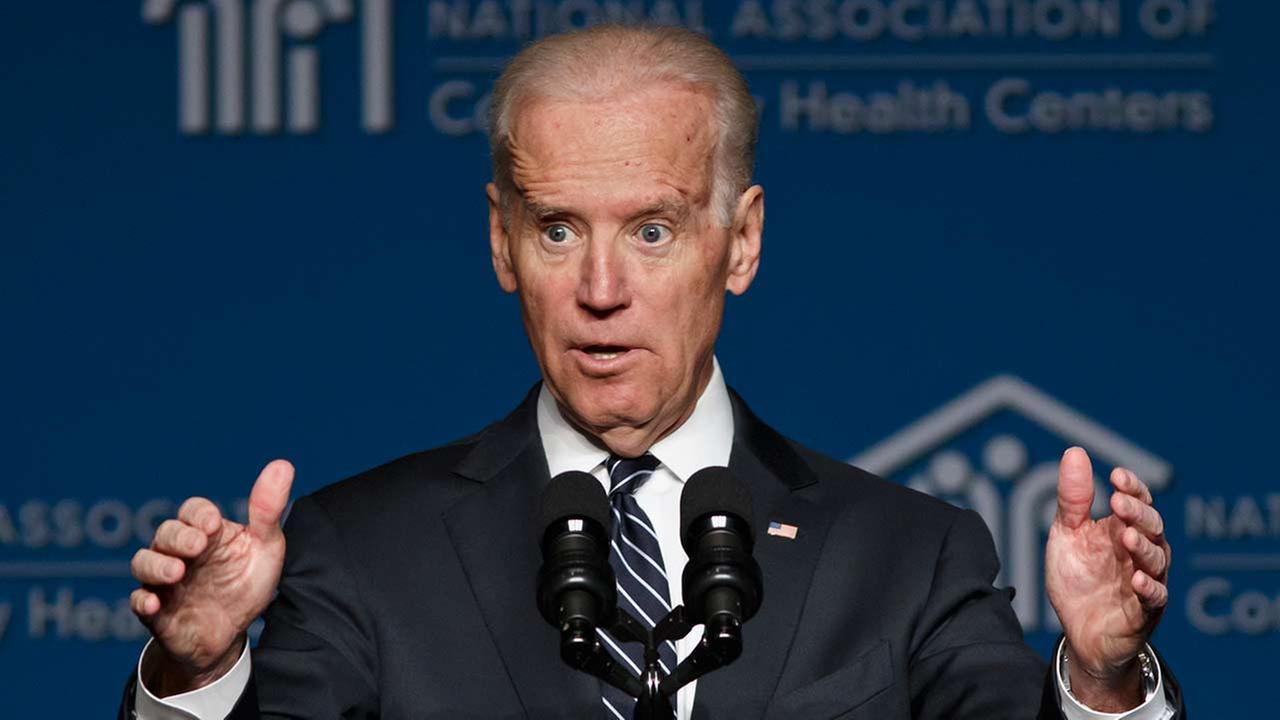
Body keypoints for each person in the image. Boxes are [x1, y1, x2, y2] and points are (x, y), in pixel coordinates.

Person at [121, 25, 1183, 720]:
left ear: (741, 241)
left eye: (653, 232)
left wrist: (1097, 681)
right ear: (500, 245)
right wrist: (199, 678)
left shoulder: (908, 558)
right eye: (555, 231)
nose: (598, 288)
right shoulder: (358, 551)